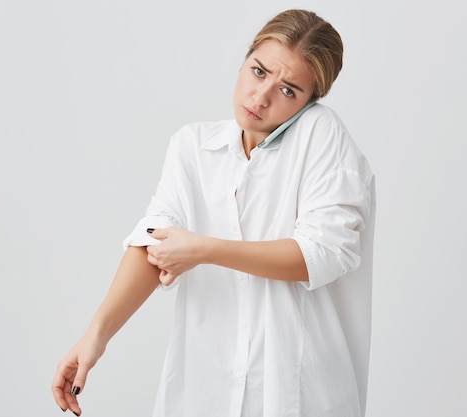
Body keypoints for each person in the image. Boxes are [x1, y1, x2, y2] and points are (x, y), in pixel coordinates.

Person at [52, 8, 375, 417]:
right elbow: (154, 241)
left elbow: (323, 254)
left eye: (289, 90)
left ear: (311, 101)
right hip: (206, 388)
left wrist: (204, 250)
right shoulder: (192, 146)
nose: (261, 97)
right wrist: (95, 336)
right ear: (245, 59)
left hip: (296, 394)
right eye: (258, 72)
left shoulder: (321, 135)